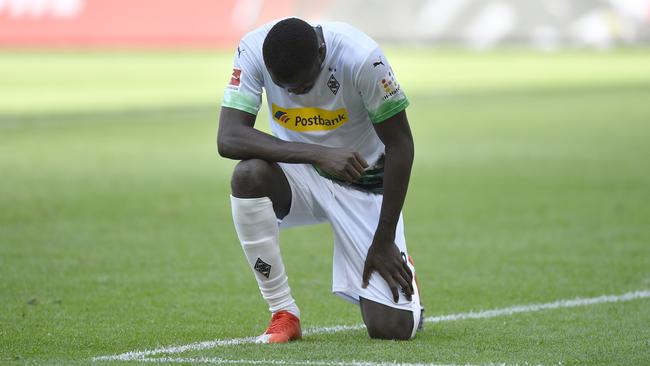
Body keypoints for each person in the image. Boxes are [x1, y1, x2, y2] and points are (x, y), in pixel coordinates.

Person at [217, 17, 422, 342]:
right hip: (299, 175)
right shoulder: (253, 49)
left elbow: (401, 144)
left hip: (362, 181)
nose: (292, 94)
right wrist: (317, 154)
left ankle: (401, 259)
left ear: (321, 53)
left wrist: (384, 239)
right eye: (283, 87)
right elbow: (228, 137)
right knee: (248, 175)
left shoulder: (363, 58)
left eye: (300, 86)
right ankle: (283, 311)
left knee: (391, 329)